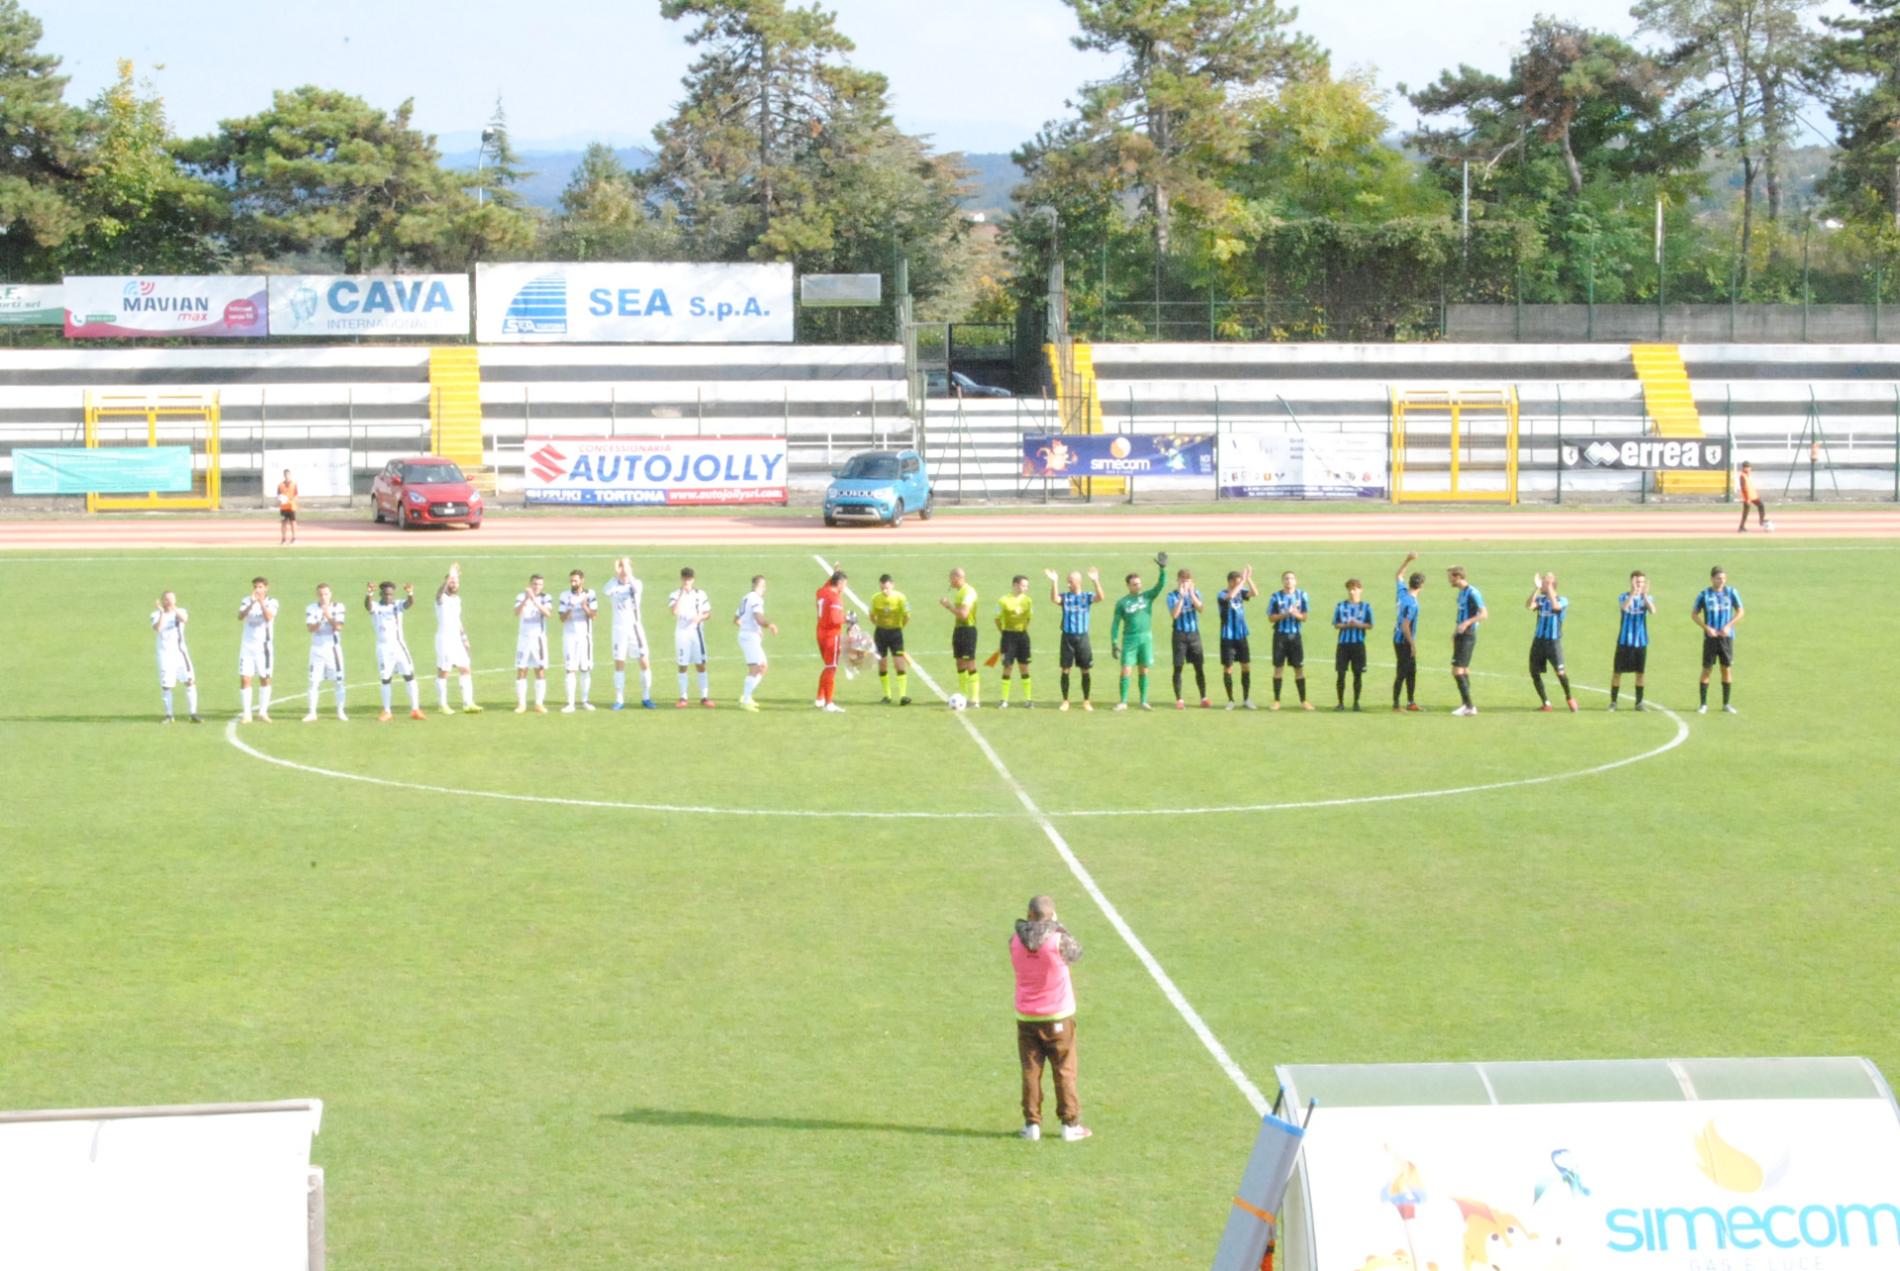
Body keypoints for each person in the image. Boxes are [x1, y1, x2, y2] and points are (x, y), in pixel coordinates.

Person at [1010, 895, 1090, 1143]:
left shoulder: (1015, 940)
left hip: (1026, 1016)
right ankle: (1069, 1124)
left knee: (1031, 1071)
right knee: (1064, 1070)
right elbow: (1077, 953)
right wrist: (1058, 926)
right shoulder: (1058, 940)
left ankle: (1031, 1124)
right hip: (1058, 1016)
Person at [1109, 552, 1168, 711]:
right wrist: (1114, 642)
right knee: (1126, 670)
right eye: (1135, 584)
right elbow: (1115, 624)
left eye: (1139, 583)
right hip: (1130, 639)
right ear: (1128, 585)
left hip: (1146, 638)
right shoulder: (1122, 602)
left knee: (1144, 669)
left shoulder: (1148, 596)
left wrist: (1162, 570)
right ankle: (1123, 701)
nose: (1138, 586)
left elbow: (1160, 585)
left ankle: (1143, 701)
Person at [366, 580, 424, 721]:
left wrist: (410, 593)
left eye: (391, 594)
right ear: (381, 594)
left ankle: (415, 709)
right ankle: (387, 711)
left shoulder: (397, 605)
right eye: (386, 594)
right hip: (383, 648)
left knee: (409, 675)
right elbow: (367, 606)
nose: (389, 597)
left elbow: (409, 603)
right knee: (386, 679)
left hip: (399, 646)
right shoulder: (376, 606)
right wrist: (369, 593)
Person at [1047, 566, 1103, 712]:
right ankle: (1065, 701)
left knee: (1085, 669)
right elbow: (1054, 599)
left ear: (1078, 582)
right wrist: (1054, 582)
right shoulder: (1066, 597)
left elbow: (1100, 597)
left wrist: (1096, 581)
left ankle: (1086, 701)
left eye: (1070, 582)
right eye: (1067, 582)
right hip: (1067, 638)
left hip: (1082, 638)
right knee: (1065, 669)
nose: (1068, 584)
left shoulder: (1086, 596)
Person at [1692, 564, 1744, 715]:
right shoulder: (1704, 595)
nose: (1721, 581)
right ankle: (1703, 704)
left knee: (1726, 669)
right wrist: (1706, 627)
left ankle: (1726, 704)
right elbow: (1694, 614)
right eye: (1718, 578)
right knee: (1707, 669)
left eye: (1723, 578)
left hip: (1726, 638)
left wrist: (1729, 625)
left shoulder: (1732, 592)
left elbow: (1740, 611)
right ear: (1712, 579)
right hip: (1711, 638)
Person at [604, 557, 655, 711]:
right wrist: (616, 574)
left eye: (626, 567)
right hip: (618, 629)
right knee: (619, 663)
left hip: (635, 628)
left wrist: (627, 569)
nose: (624, 570)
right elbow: (606, 592)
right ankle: (619, 699)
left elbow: (636, 588)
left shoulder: (636, 583)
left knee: (644, 661)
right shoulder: (613, 584)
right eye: (621, 567)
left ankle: (646, 697)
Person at [1525, 572, 1578, 713]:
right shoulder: (1541, 600)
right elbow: (1529, 605)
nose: (1542, 584)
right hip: (1538, 642)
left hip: (1553, 643)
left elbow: (1556, 608)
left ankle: (1569, 697)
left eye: (1545, 582)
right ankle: (1546, 703)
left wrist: (1549, 589)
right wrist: (1536, 589)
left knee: (1560, 672)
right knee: (1534, 672)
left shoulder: (1562, 600)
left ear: (1552, 585)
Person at [434, 564, 481, 714]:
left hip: (456, 640)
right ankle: (442, 704)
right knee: (444, 671)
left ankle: (468, 703)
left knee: (465, 668)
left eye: (456, 582)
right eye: (452, 582)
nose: (454, 584)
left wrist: (464, 637)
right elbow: (439, 592)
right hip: (445, 639)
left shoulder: (457, 600)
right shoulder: (441, 599)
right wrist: (449, 576)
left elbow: (457, 620)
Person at [1265, 570, 1313, 711]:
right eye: (1286, 578)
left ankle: (1303, 700)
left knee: (1299, 668)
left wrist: (1295, 614)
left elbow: (1304, 617)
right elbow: (1270, 618)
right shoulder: (1275, 597)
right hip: (1280, 637)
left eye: (1291, 578)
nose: (1289, 581)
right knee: (1278, 668)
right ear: (1282, 581)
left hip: (1295, 636)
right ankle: (1276, 700)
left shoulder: (1302, 595)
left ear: (1295, 581)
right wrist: (1285, 614)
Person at [151, 590, 200, 723]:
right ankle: (169, 715)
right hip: (165, 655)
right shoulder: (156, 615)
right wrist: (162, 613)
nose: (169, 601)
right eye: (166, 599)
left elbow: (184, 620)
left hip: (180, 653)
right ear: (162, 601)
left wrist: (174, 609)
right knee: (166, 685)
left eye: (172, 599)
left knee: (190, 681)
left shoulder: (180, 611)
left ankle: (193, 713)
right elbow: (157, 628)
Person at [1609, 570, 1655, 712]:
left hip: (1640, 642)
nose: (1639, 585)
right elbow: (1624, 608)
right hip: (1624, 641)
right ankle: (1613, 702)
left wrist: (1645, 596)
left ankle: (1639, 703)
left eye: (1641, 582)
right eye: (1637, 582)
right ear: (1631, 582)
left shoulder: (1647, 598)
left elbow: (1653, 611)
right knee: (1617, 672)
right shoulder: (1624, 596)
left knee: (1640, 673)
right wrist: (1633, 593)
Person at [302, 583, 348, 722]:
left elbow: (338, 626)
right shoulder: (311, 608)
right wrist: (321, 619)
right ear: (317, 595)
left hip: (333, 650)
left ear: (330, 594)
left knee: (338, 682)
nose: (323, 597)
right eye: (321, 594)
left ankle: (340, 711)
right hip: (316, 650)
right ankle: (312, 713)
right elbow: (310, 629)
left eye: (326, 594)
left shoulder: (339, 607)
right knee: (313, 682)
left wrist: (327, 615)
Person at [670, 567, 714, 708]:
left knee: (701, 664)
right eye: (685, 578)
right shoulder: (675, 594)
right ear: (681, 579)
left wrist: (699, 617)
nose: (687, 581)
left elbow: (708, 613)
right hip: (682, 634)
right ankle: (683, 697)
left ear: (693, 579)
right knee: (683, 665)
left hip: (696, 633)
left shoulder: (700, 594)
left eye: (689, 578)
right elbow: (675, 611)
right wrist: (683, 593)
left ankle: (704, 696)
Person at [1447, 564, 1488, 716]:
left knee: (1457, 670)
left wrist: (1466, 623)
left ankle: (1469, 706)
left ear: (1458, 577)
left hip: (1468, 635)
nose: (1449, 580)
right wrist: (1455, 631)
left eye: (1450, 577)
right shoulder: (1461, 593)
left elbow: (1484, 614)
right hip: (1461, 635)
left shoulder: (1473, 593)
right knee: (1463, 669)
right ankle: (1466, 704)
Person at [237, 576, 278, 723]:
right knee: (245, 678)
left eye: (260, 587)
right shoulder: (246, 600)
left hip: (264, 647)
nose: (257, 590)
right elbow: (240, 616)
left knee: (265, 678)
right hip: (247, 646)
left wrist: (260, 602)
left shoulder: (272, 602)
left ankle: (263, 712)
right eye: (255, 587)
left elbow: (268, 617)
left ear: (266, 588)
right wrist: (252, 603)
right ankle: (247, 714)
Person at [735, 575, 779, 712]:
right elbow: (758, 618)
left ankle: (746, 696)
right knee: (755, 668)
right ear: (758, 586)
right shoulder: (755, 599)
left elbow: (736, 619)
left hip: (748, 636)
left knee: (763, 666)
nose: (764, 589)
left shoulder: (745, 598)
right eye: (763, 586)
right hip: (749, 638)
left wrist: (751, 628)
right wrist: (768, 625)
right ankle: (746, 700)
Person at [1167, 568, 1209, 709]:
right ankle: (1179, 699)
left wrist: (1191, 594)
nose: (1185, 583)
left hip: (1194, 634)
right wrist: (1181, 596)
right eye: (1183, 580)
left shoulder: (1196, 593)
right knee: (1178, 667)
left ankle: (1203, 697)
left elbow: (1201, 609)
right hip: (1179, 635)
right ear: (1178, 581)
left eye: (1188, 580)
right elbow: (1175, 614)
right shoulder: (1172, 595)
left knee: (1199, 667)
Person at [558, 569, 598, 713]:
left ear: (582, 580)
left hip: (584, 637)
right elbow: (561, 619)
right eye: (571, 581)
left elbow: (594, 616)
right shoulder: (564, 595)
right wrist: (570, 607)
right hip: (569, 638)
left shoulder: (590, 594)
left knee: (585, 669)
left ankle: (585, 701)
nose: (573, 583)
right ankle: (570, 703)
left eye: (575, 580)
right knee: (570, 669)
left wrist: (584, 606)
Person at [1217, 566, 1257, 711]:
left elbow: (1255, 593)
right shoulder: (1221, 594)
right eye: (1237, 582)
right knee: (1228, 668)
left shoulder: (1241, 592)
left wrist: (1249, 579)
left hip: (1241, 636)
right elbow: (1230, 597)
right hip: (1227, 637)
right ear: (1230, 582)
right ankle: (1230, 700)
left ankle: (1246, 698)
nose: (1241, 584)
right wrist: (1243, 582)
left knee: (1246, 666)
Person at [869, 574, 912, 705]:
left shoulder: (901, 598)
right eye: (882, 588)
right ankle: (887, 696)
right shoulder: (875, 598)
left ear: (892, 585)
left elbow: (907, 616)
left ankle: (903, 696)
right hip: (880, 634)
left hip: (895, 634)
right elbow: (871, 616)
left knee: (899, 664)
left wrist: (899, 627)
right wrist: (879, 625)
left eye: (887, 588)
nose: (884, 591)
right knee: (882, 665)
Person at [514, 574, 553, 714]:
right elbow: (516, 612)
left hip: (539, 640)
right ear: (530, 584)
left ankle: (539, 703)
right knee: (521, 670)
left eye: (540, 584)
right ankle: (521, 704)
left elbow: (548, 614)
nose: (537, 586)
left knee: (539, 670)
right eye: (535, 584)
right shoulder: (520, 596)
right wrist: (526, 598)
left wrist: (535, 600)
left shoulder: (546, 597)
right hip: (523, 639)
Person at [1332, 579, 1373, 711]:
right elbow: (1336, 624)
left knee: (1358, 674)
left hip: (1358, 645)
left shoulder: (1366, 607)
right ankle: (1340, 703)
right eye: (1349, 589)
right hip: (1343, 645)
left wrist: (1358, 624)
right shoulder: (1340, 606)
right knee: (1341, 673)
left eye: (1354, 589)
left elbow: (1370, 624)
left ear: (1360, 590)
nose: (1351, 591)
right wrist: (1345, 625)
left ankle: (1356, 702)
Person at [941, 567, 980, 706]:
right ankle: (963, 696)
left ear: (957, 577)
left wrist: (948, 606)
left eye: (951, 578)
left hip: (968, 630)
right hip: (959, 629)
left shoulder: (968, 592)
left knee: (970, 663)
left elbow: (963, 614)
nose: (949, 581)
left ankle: (975, 699)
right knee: (959, 663)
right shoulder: (960, 592)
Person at [995, 574, 1035, 708]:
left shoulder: (1028, 601)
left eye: (1027, 586)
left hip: (1023, 636)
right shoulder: (1003, 600)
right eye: (1024, 585)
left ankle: (1028, 699)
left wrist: (1021, 630)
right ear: (1016, 585)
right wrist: (1005, 633)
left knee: (1024, 666)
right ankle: (1004, 700)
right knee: (1008, 667)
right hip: (1008, 637)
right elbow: (997, 619)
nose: (1026, 588)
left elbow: (1029, 618)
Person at [1392, 554, 1425, 712]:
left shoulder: (1402, 593)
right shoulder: (1412, 604)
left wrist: (1407, 560)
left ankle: (1411, 702)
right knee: (1402, 672)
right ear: (1422, 585)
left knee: (1411, 671)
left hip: (1397, 638)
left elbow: (1399, 575)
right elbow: (1406, 625)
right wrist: (1412, 644)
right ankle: (1396, 705)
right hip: (1404, 641)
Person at [813, 567, 847, 712]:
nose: (845, 587)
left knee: (828, 666)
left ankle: (820, 698)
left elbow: (828, 584)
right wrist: (848, 619)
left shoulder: (822, 592)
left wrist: (836, 572)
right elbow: (835, 619)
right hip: (831, 636)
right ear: (838, 583)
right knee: (831, 668)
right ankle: (829, 703)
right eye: (844, 584)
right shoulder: (835, 599)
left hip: (820, 632)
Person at [1737, 460, 1773, 532]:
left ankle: (1761, 521)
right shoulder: (1742, 476)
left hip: (1752, 496)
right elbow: (1744, 488)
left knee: (1761, 505)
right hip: (1748, 497)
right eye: (1747, 467)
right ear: (1744, 468)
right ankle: (1741, 527)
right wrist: (1747, 499)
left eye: (1749, 467)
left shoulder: (1747, 475)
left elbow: (1749, 487)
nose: (1749, 469)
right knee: (1746, 513)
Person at [276, 469, 298, 545]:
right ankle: (283, 539)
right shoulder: (280, 485)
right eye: (285, 475)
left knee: (293, 522)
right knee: (283, 523)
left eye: (288, 474)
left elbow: (296, 495)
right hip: (283, 508)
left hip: (291, 507)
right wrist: (281, 500)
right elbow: (278, 496)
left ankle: (294, 538)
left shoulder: (294, 484)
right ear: (284, 475)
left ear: (290, 475)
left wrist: (291, 500)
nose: (287, 476)